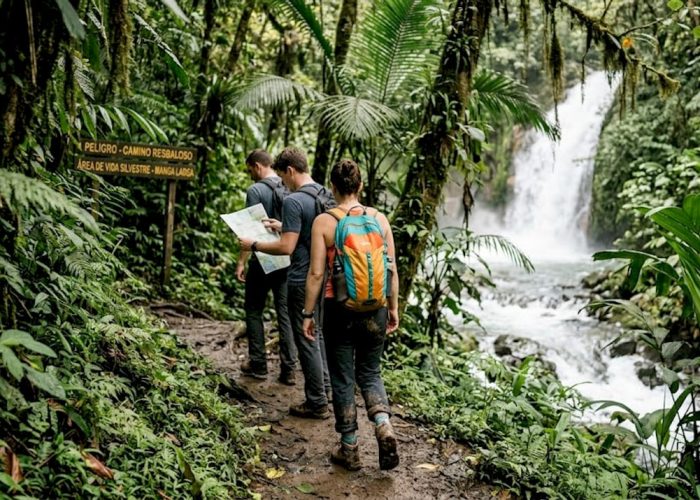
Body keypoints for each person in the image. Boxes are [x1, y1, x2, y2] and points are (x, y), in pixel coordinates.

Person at [302, 159, 400, 471]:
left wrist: (307, 313)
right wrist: (393, 308)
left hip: (339, 309)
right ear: (359, 186)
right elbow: (392, 269)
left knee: (343, 377)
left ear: (332, 187)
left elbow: (317, 274)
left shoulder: (325, 222)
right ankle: (383, 424)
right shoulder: (379, 219)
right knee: (370, 373)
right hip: (376, 309)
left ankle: (350, 449)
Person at [240, 147, 332, 419]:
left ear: (291, 171)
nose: (283, 184)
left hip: (301, 276)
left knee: (305, 337)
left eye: (283, 178)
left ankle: (316, 402)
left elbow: (287, 248)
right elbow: (313, 232)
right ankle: (324, 388)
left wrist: (253, 243)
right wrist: (284, 225)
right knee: (318, 334)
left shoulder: (294, 200)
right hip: (323, 274)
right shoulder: (323, 194)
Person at [237, 149, 298, 385]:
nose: (250, 174)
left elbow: (250, 231)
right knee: (285, 312)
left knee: (253, 308)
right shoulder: (288, 187)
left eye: (250, 169)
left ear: (257, 166)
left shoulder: (256, 190)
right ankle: (289, 370)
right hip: (286, 257)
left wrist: (241, 261)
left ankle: (258, 364)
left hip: (263, 257)